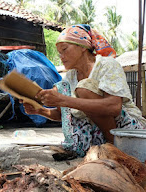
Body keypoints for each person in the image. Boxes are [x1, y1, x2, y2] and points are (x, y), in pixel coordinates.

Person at [21, 24, 146, 157]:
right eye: (59, 53)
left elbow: (114, 106)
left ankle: (117, 152)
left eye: (64, 50)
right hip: (97, 135)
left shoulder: (106, 65)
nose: (61, 56)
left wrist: (63, 100)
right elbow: (62, 114)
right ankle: (104, 149)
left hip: (127, 132)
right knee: (62, 88)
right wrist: (40, 110)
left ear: (82, 47)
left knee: (83, 88)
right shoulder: (70, 76)